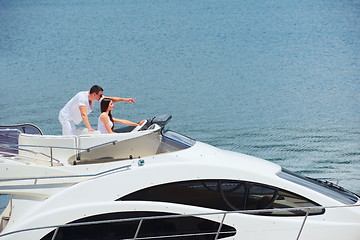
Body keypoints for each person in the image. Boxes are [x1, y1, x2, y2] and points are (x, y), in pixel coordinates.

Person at [59, 85, 135, 135]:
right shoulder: (81, 97)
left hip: (73, 120)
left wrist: (125, 99)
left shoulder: (94, 98)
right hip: (66, 118)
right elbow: (83, 114)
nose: (101, 97)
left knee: (76, 132)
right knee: (71, 136)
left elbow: (109, 99)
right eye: (100, 95)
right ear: (94, 94)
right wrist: (89, 128)